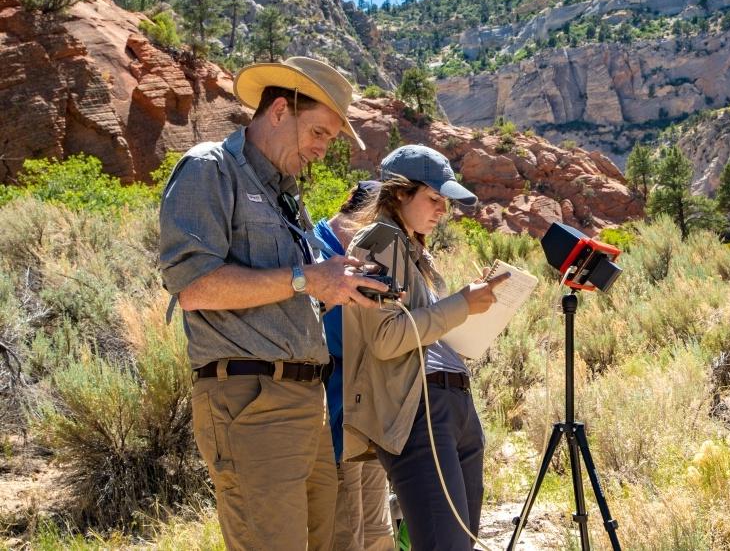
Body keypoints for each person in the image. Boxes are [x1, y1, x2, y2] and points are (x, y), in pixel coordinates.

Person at [158, 56, 388, 551]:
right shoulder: (209, 168)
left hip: (307, 402)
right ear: (281, 110)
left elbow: (292, 294)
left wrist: (341, 288)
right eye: (320, 133)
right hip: (250, 403)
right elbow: (193, 286)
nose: (323, 151)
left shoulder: (288, 197)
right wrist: (307, 277)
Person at [342, 145, 509, 551]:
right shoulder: (379, 240)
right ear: (399, 193)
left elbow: (423, 332)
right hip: (419, 410)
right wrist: (461, 305)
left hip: (452, 404)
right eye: (433, 199)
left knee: (460, 542)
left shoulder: (415, 250)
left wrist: (468, 314)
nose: (441, 211)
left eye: (445, 203)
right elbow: (385, 339)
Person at [315, 181, 396, 551]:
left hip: (372, 415)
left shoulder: (374, 254)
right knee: (346, 530)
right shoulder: (316, 250)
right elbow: (330, 332)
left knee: (378, 532)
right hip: (334, 415)